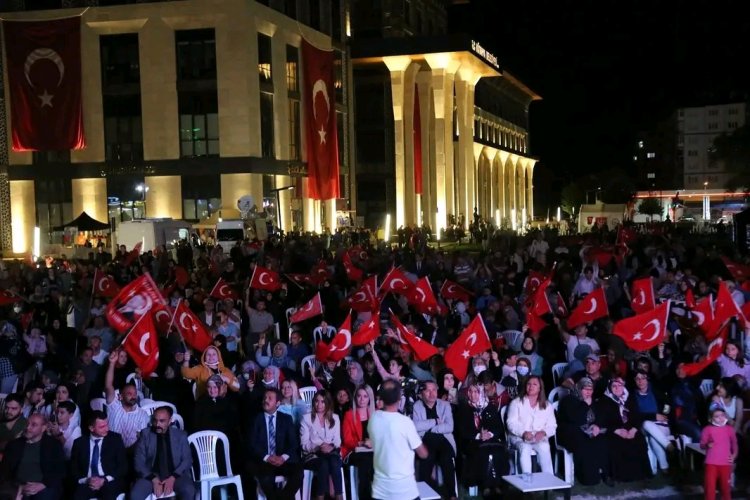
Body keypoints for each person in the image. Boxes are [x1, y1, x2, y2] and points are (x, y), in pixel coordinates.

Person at [368, 379, 428, 500]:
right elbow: (423, 454)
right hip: (405, 491)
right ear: (399, 398)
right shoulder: (405, 422)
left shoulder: (373, 418)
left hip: (380, 491)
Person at [247, 388, 303, 500]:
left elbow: (293, 443)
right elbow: (252, 444)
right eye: (264, 398)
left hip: (283, 460)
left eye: (269, 398)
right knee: (265, 478)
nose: (265, 400)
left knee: (298, 474)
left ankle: (282, 497)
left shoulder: (286, 419)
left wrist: (282, 457)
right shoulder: (256, 419)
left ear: (277, 403)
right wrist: (267, 457)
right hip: (264, 461)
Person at [454, 382, 509, 494]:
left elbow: (498, 427)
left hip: (491, 440)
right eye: (470, 391)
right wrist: (479, 435)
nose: (473, 395)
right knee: (482, 452)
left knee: (497, 452)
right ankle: (486, 485)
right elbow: (462, 431)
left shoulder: (490, 407)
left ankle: (498, 483)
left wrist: (490, 434)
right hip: (471, 441)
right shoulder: (463, 409)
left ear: (481, 393)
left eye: (476, 392)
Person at [556, 377, 612, 486]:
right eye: (585, 389)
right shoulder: (569, 400)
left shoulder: (593, 400)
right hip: (569, 432)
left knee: (603, 440)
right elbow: (575, 419)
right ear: (578, 388)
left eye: (590, 389)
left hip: (586, 431)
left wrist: (596, 425)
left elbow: (599, 417)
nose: (588, 392)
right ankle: (589, 478)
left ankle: (606, 474)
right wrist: (585, 404)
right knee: (585, 442)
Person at [131, 406, 195, 500]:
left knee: (188, 490)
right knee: (135, 495)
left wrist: (173, 477)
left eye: (162, 421)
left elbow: (187, 460)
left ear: (170, 421)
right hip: (151, 475)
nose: (157, 424)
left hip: (175, 474)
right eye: (155, 420)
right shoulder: (145, 434)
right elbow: (138, 462)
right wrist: (153, 479)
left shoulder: (180, 435)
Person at [596, 377, 651, 482]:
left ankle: (639, 474)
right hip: (613, 430)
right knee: (616, 443)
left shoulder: (629, 398)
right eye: (614, 386)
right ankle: (619, 476)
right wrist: (617, 431)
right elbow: (602, 421)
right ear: (610, 388)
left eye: (620, 385)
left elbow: (637, 416)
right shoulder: (604, 400)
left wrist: (634, 430)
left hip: (630, 429)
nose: (617, 388)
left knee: (639, 440)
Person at [0, 413, 66, 499]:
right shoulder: (14, 445)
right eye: (27, 424)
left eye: (33, 425)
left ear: (43, 428)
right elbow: (4, 472)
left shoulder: (53, 445)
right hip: (18, 486)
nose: (28, 428)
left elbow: (60, 471)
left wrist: (43, 485)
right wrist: (20, 487)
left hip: (44, 486)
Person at [411, 380, 457, 500]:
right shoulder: (417, 406)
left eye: (434, 390)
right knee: (426, 457)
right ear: (422, 393)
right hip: (426, 442)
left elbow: (449, 427)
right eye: (428, 390)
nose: (432, 393)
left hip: (444, 441)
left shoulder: (445, 405)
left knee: (446, 458)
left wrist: (429, 429)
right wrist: (435, 421)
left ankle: (451, 494)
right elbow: (415, 427)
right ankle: (427, 494)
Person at [70, 411, 127, 500]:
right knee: (77, 495)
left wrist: (104, 479)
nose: (107, 429)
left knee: (109, 494)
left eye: (107, 425)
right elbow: (73, 469)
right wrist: (87, 480)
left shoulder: (115, 439)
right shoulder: (79, 443)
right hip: (87, 481)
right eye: (102, 427)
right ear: (91, 428)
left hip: (108, 481)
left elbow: (123, 466)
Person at [506, 375, 557, 474]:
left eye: (534, 384)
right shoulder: (516, 403)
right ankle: (527, 481)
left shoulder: (547, 405)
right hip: (519, 438)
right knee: (525, 448)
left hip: (538, 437)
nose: (531, 387)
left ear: (540, 388)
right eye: (529, 384)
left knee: (545, 447)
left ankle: (548, 479)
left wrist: (543, 432)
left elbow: (552, 425)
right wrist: (523, 433)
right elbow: (511, 423)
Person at [300, 390, 344, 500]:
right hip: (313, 454)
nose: (319, 405)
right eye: (316, 401)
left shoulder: (335, 418)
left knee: (334, 462)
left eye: (323, 402)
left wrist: (331, 447)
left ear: (328, 403)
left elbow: (338, 441)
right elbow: (304, 444)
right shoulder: (306, 419)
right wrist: (319, 447)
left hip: (331, 453)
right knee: (323, 464)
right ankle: (320, 497)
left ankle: (339, 496)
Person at [104, 351, 149, 449]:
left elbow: (142, 441)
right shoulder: (114, 406)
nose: (133, 396)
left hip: (131, 453)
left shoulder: (142, 414)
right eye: (129, 394)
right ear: (120, 396)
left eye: (135, 394)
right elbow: (108, 385)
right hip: (111, 449)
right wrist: (112, 363)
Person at [341, 385, 375, 500]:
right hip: (353, 451)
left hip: (372, 450)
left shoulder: (376, 414)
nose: (362, 399)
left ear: (370, 398)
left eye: (365, 396)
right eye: (359, 396)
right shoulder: (349, 415)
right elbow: (347, 441)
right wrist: (362, 443)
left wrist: (373, 442)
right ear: (355, 398)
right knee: (366, 461)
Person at [700, 407, 738, 500]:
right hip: (711, 463)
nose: (720, 418)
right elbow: (702, 445)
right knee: (710, 488)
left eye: (722, 415)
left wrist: (734, 456)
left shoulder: (730, 429)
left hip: (725, 463)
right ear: (711, 419)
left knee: (726, 488)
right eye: (716, 416)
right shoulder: (707, 429)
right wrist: (707, 445)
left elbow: (734, 444)